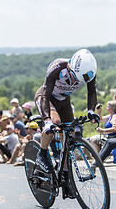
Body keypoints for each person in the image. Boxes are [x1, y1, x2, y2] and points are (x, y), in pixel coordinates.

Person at [34, 49, 98, 198]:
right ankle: (42, 153)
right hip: (46, 98)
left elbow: (92, 93)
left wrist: (91, 110)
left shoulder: (89, 72)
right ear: (71, 66)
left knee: (70, 136)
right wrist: (46, 120)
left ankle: (65, 176)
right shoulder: (58, 67)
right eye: (75, 77)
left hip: (64, 102)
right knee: (55, 122)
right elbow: (45, 94)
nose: (76, 82)